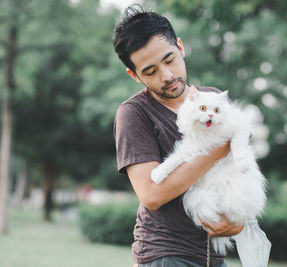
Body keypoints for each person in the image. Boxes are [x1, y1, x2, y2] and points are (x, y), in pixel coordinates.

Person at [113, 5, 244, 267]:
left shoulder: (213, 99)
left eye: (170, 59)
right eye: (150, 71)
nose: (167, 75)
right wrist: (218, 147)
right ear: (134, 75)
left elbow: (240, 170)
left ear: (181, 47)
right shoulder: (134, 113)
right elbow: (151, 194)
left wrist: (238, 223)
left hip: (214, 254)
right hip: (165, 253)